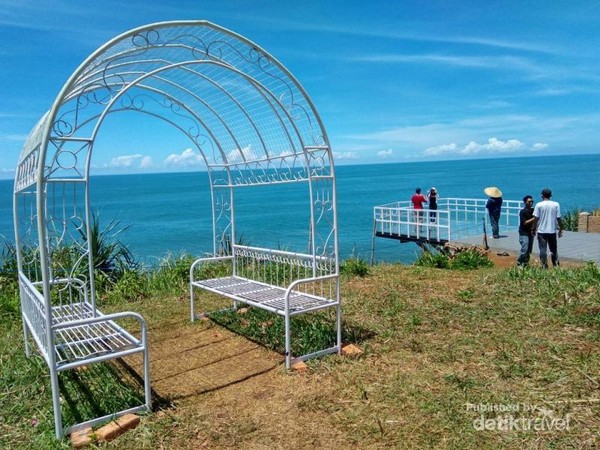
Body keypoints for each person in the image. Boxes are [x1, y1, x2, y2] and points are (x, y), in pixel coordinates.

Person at [533, 188, 563, 268]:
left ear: (542, 195)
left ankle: (544, 265)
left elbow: (536, 218)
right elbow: (559, 218)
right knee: (553, 249)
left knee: (543, 249)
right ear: (551, 196)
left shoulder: (538, 205)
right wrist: (561, 228)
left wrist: (533, 229)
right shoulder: (556, 204)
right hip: (552, 231)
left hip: (541, 231)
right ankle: (555, 265)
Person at [517, 195, 535, 266]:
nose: (531, 203)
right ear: (525, 202)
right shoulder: (523, 212)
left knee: (529, 250)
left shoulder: (533, 211)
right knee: (525, 248)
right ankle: (520, 261)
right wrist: (534, 219)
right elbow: (524, 222)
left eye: (532, 201)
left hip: (531, 232)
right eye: (529, 201)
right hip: (524, 233)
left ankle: (526, 263)